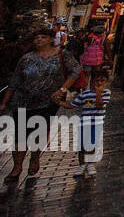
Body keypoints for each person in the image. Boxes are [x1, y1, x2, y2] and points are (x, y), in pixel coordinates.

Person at [1, 27, 81, 184]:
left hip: (47, 103)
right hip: (23, 101)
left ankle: (35, 157)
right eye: (36, 37)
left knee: (38, 133)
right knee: (20, 136)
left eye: (43, 37)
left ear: (51, 39)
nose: (39, 40)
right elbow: (15, 81)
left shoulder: (61, 55)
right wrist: (4, 102)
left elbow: (76, 70)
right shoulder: (27, 58)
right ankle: (17, 168)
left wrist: (62, 89)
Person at [63, 67, 111, 177]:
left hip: (97, 124)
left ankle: (90, 163)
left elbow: (99, 105)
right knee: (82, 145)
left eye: (102, 80)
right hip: (84, 123)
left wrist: (98, 93)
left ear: (106, 82)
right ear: (92, 81)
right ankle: (81, 164)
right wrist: (60, 102)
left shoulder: (106, 93)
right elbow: (72, 104)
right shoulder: (85, 94)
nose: (99, 83)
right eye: (97, 80)